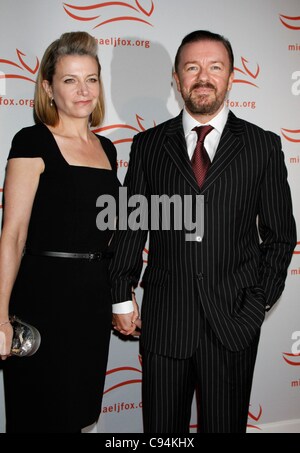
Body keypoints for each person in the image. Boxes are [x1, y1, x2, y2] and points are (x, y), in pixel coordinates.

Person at [110, 30, 297, 433]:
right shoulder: (147, 145)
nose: (203, 77)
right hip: (165, 323)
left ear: (232, 78)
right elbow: (131, 224)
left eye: (215, 67)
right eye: (192, 67)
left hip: (234, 322)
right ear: (176, 78)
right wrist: (121, 296)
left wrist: (257, 303)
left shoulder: (262, 146)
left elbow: (281, 237)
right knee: (161, 433)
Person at [0, 31, 120, 433]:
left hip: (92, 298)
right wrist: (0, 315)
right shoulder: (32, 141)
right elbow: (13, 235)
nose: (83, 90)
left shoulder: (108, 149)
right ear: (49, 88)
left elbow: (108, 230)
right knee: (40, 414)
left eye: (91, 78)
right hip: (43, 300)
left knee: (82, 415)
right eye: (70, 80)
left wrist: (122, 293)